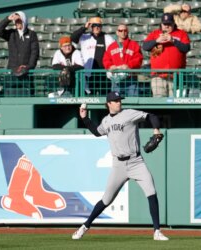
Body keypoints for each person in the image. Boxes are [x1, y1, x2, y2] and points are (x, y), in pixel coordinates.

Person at [72, 91, 169, 241]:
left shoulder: (129, 113)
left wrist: (156, 130)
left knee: (151, 192)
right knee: (106, 200)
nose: (119, 102)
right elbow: (97, 132)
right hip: (118, 165)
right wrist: (85, 118)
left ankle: (157, 231)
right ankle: (84, 226)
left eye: (119, 100)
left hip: (136, 162)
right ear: (109, 104)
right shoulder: (105, 121)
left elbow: (151, 116)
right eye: (116, 101)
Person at [143, 13, 190, 97]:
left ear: (173, 23)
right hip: (158, 76)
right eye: (165, 24)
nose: (167, 26)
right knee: (159, 103)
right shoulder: (154, 34)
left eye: (169, 24)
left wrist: (173, 40)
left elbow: (186, 48)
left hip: (175, 76)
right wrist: (156, 41)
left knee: (175, 104)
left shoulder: (181, 34)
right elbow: (145, 47)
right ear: (161, 24)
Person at [0, 11, 39, 96]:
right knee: (11, 94)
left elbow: (35, 53)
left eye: (19, 20)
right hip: (12, 71)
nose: (17, 23)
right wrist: (8, 19)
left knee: (28, 95)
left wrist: (28, 67)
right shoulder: (11, 33)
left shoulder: (32, 34)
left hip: (26, 73)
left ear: (24, 20)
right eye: (16, 21)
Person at [71, 17, 114, 96]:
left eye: (99, 25)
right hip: (88, 73)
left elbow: (114, 53)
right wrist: (84, 28)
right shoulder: (85, 37)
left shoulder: (108, 38)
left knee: (105, 96)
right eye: (94, 25)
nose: (97, 27)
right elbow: (73, 38)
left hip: (104, 74)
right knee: (89, 96)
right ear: (91, 26)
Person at [103, 24, 143, 96]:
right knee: (116, 101)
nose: (123, 32)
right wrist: (110, 66)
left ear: (127, 32)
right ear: (117, 32)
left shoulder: (134, 45)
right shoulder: (111, 46)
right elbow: (106, 59)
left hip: (130, 78)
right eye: (120, 30)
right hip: (116, 79)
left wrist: (128, 65)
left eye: (125, 30)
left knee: (132, 102)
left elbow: (139, 58)